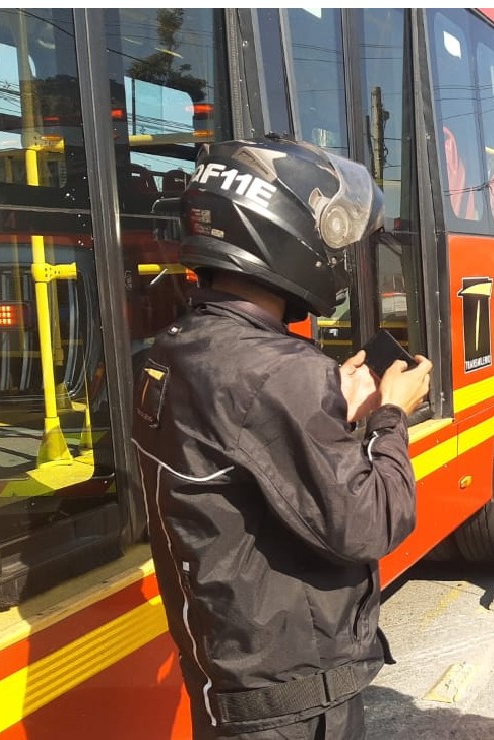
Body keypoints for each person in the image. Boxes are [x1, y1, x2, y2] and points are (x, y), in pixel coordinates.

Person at [132, 136, 433, 739]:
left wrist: (330, 411)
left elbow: (252, 462)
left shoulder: (176, 347)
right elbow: (373, 522)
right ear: (277, 234)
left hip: (228, 676)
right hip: (293, 697)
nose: (331, 254)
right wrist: (389, 415)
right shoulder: (283, 372)